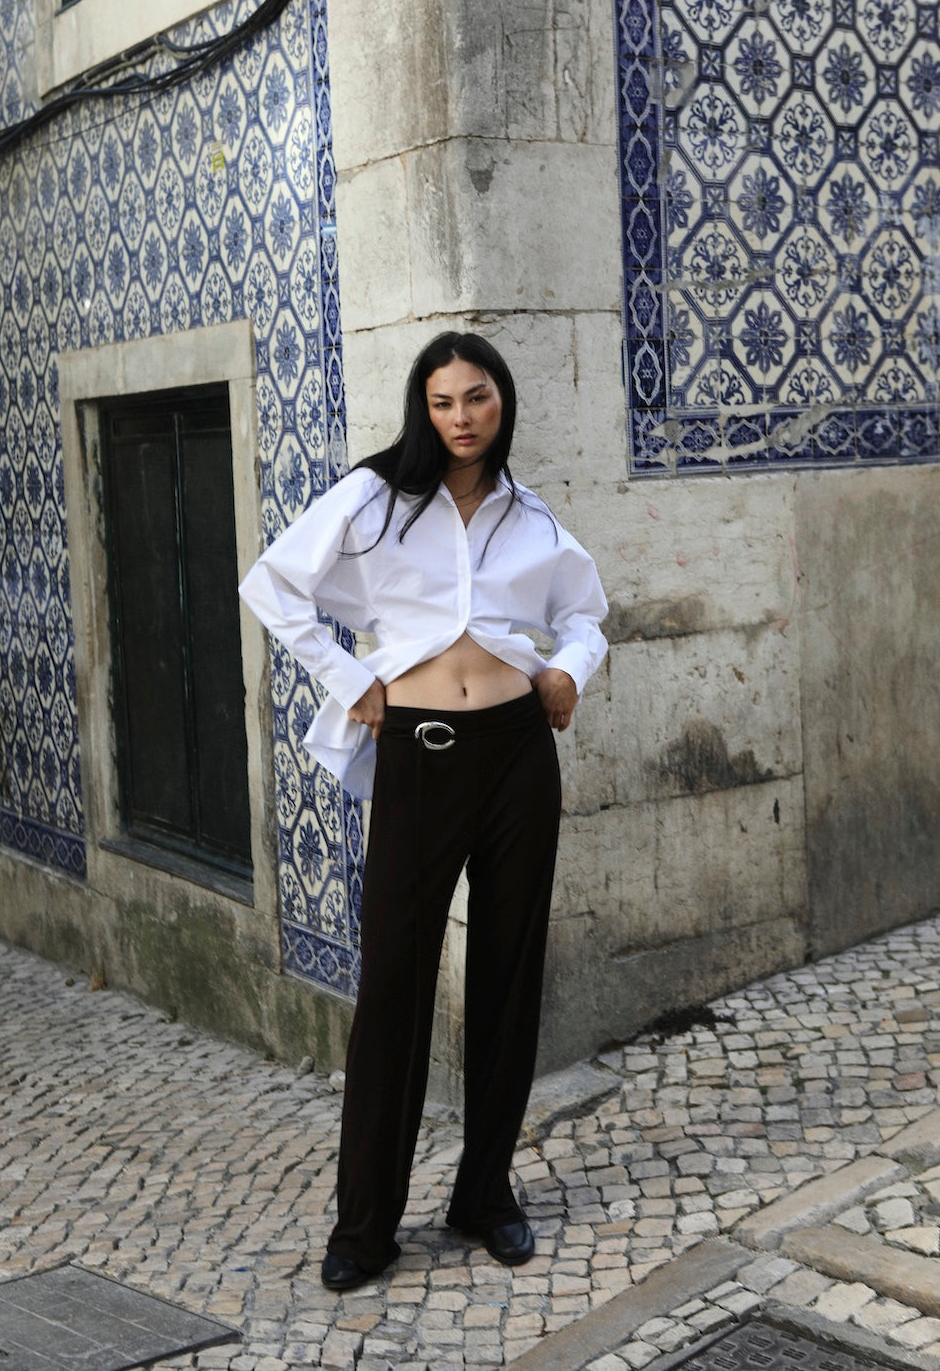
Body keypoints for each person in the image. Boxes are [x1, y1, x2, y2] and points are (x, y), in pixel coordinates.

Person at [239, 331, 608, 1291]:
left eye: (476, 398)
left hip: (518, 757)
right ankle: (364, 1226)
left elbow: (584, 615)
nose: (460, 417)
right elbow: (271, 585)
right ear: (423, 407)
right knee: (394, 982)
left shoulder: (531, 517)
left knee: (507, 971)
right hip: (421, 754)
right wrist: (348, 676)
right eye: (443, 401)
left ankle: (484, 1195)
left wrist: (569, 669)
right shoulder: (373, 498)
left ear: (502, 402)